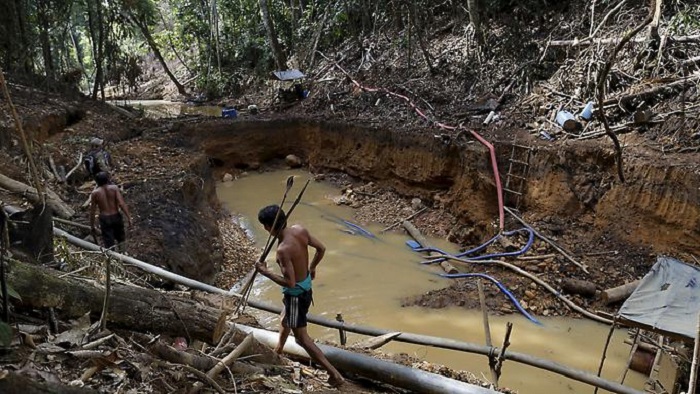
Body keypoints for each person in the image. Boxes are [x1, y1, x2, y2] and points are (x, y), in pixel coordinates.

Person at [255, 205, 344, 387]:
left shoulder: (283, 250)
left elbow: (290, 283)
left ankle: (334, 374)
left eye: (265, 225)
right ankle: (277, 352)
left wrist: (264, 272)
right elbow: (322, 249)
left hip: (295, 295)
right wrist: (312, 267)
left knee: (301, 338)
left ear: (268, 227)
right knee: (284, 318)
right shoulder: (299, 230)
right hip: (306, 288)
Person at [90, 172, 132, 250]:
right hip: (116, 216)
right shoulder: (114, 188)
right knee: (121, 239)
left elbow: (92, 211)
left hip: (105, 219)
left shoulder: (95, 193)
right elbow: (121, 203)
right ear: (107, 179)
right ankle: (123, 254)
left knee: (109, 242)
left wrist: (92, 226)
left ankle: (112, 258)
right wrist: (129, 217)